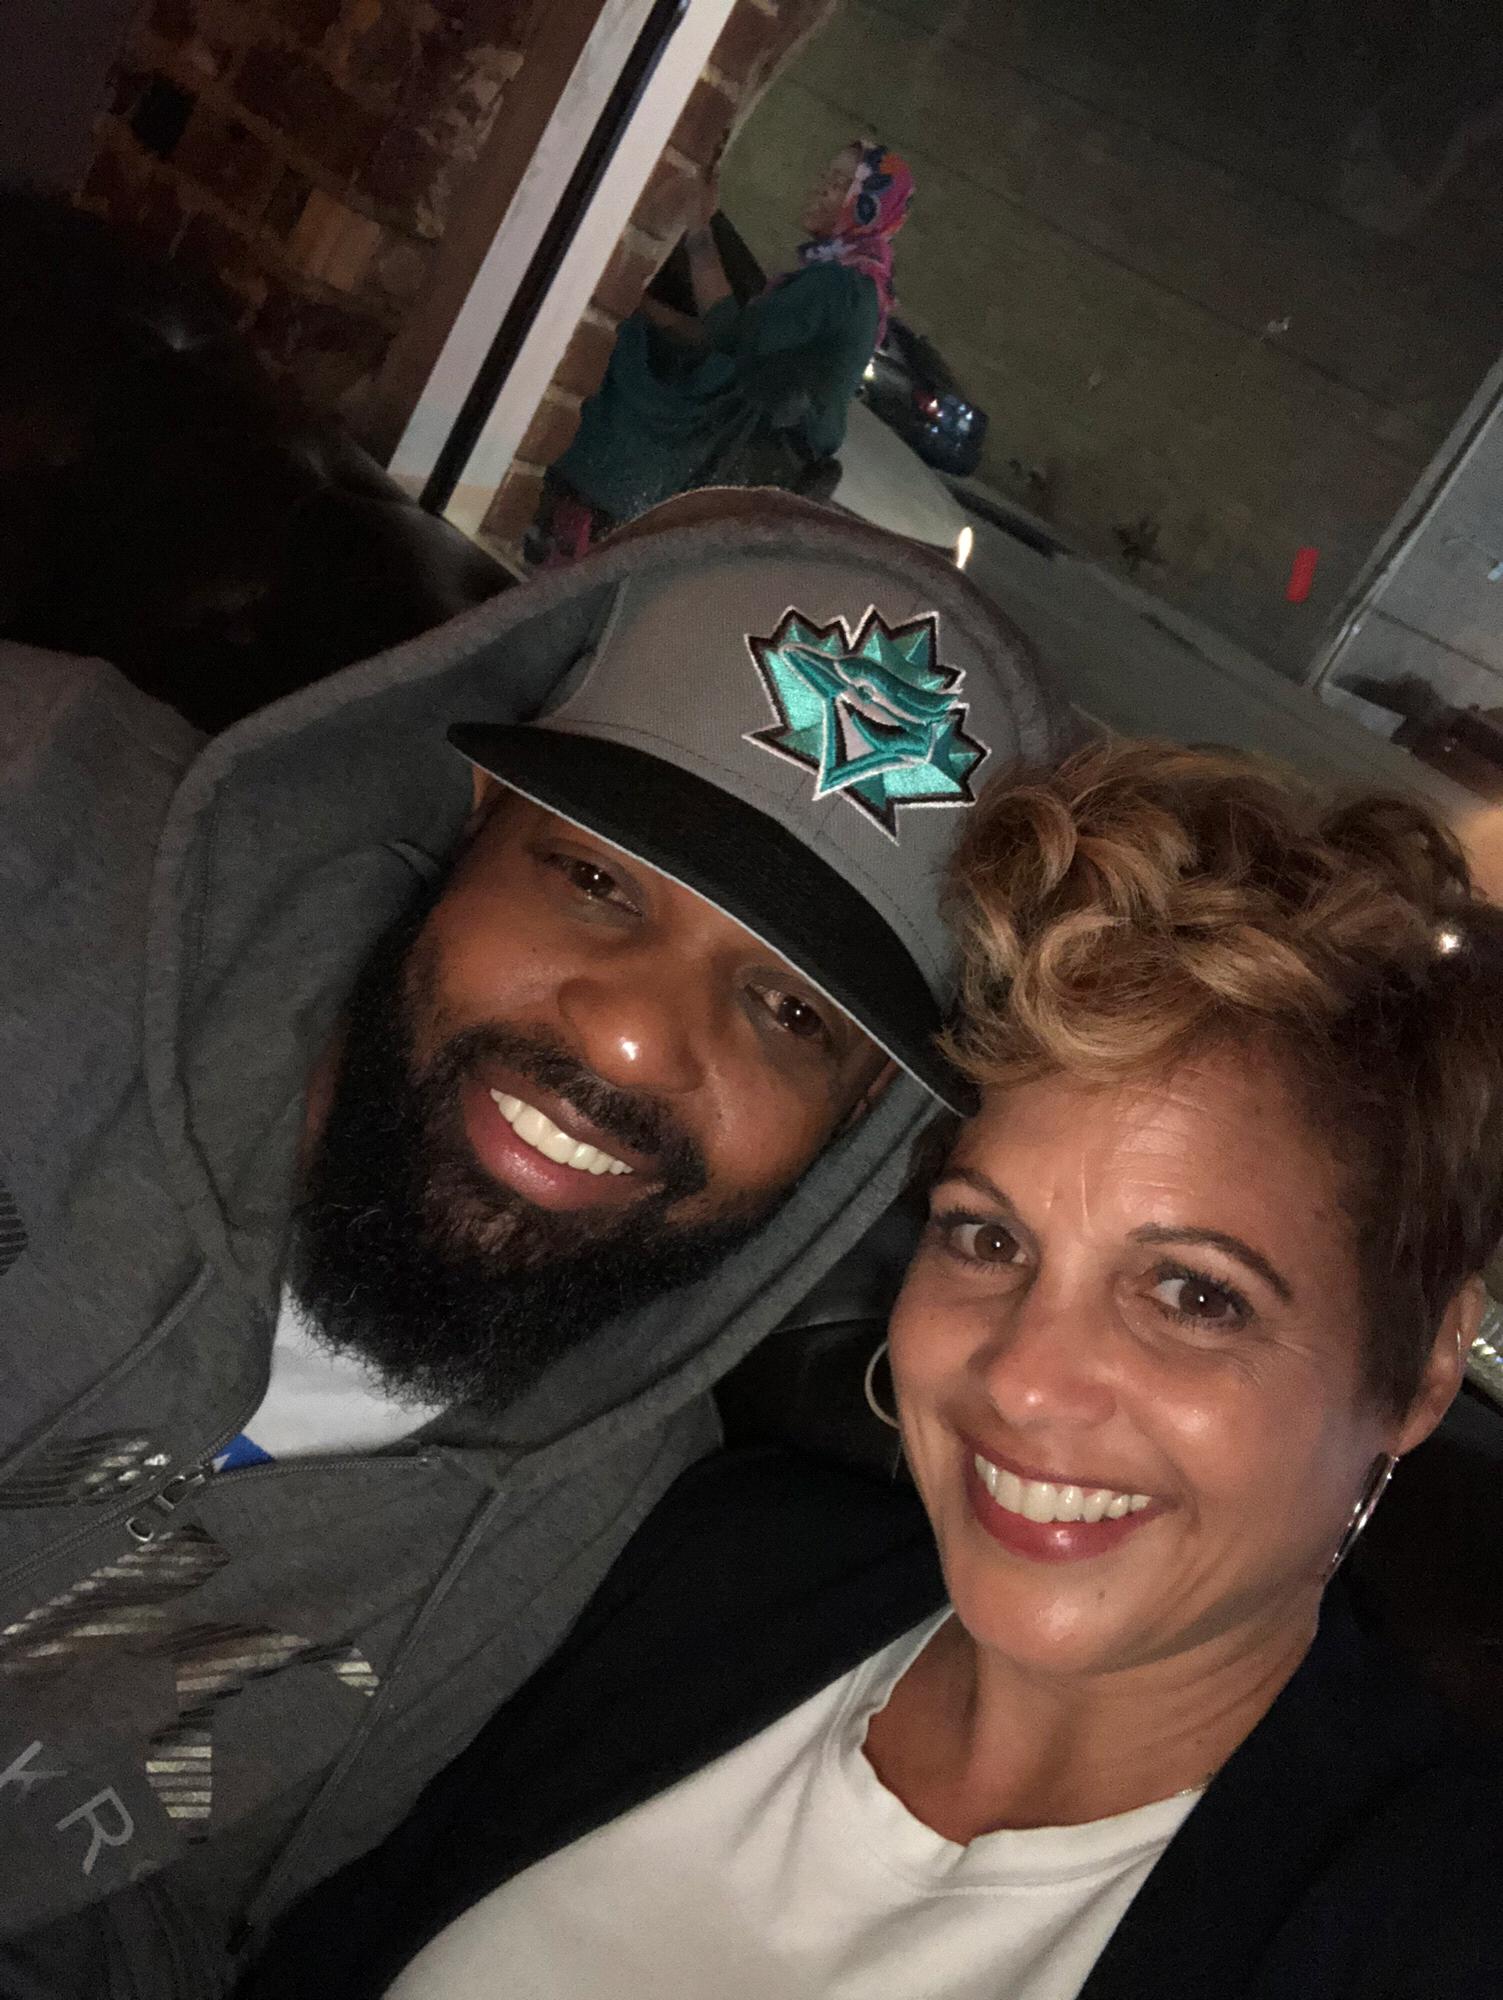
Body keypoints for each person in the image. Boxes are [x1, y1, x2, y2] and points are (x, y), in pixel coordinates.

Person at [0, 486, 1067, 1998]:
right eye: (594, 878)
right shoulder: (36, 820)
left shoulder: (600, 1569)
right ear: (474, 815)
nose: (632, 1037)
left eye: (788, 1011)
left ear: (857, 1133)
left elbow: (161, 1941)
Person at [246, 740, 1503, 2000]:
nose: (1025, 1378)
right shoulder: (712, 1562)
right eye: (988, 1237)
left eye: (1194, 1293)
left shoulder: (1433, 1919)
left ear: (1419, 1372)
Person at [532, 139, 914, 562]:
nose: (820, 188)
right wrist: (636, 305)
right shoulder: (852, 276)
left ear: (867, 205)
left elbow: (731, 334)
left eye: (839, 183)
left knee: (624, 385)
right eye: (826, 176)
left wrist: (699, 229)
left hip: (748, 445)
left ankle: (581, 524)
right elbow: (721, 339)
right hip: (755, 430)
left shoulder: (839, 284)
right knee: (640, 339)